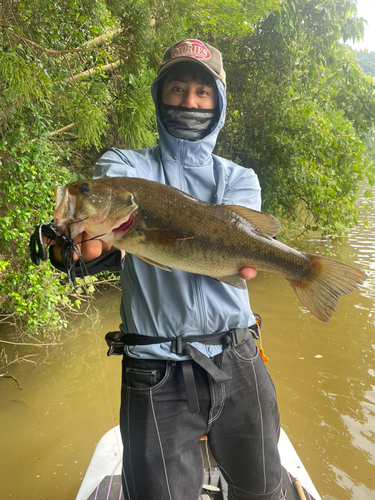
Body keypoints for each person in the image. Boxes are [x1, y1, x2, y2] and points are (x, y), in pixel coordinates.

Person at [51, 39, 282, 500]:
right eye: (177, 89)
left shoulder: (240, 178)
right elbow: (92, 239)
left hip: (239, 361)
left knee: (264, 489)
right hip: (154, 372)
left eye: (202, 92)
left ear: (218, 103)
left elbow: (234, 251)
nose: (189, 102)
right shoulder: (123, 168)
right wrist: (78, 245)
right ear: (159, 96)